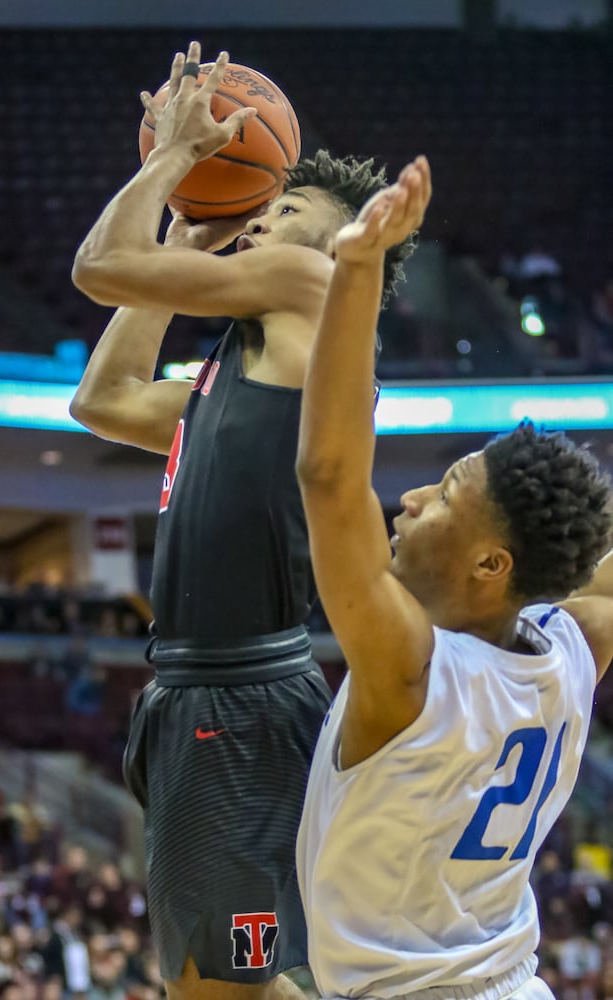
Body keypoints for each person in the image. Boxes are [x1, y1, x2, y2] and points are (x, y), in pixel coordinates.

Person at [71, 41, 416, 1000]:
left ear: (344, 251)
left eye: (289, 210)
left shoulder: (318, 292)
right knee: (254, 979)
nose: (263, 217)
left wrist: (170, 159)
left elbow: (100, 265)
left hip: (238, 696)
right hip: (204, 695)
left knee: (221, 988)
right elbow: (101, 401)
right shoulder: (243, 360)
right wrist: (182, 247)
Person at [294, 155, 613, 1000]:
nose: (411, 496)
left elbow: (329, 478)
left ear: (490, 565)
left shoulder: (409, 670)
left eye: (444, 495)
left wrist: (358, 267)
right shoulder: (570, 651)